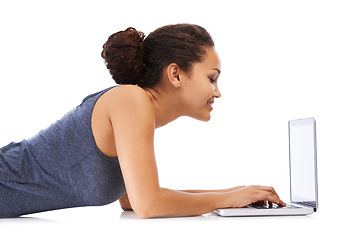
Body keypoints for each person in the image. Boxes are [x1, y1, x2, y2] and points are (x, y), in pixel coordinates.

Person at [0, 24, 285, 218]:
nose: (218, 91)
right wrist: (227, 199)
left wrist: (236, 194)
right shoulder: (131, 101)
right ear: (175, 74)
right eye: (212, 78)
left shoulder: (135, 110)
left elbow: (133, 200)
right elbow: (148, 204)